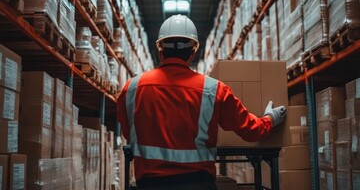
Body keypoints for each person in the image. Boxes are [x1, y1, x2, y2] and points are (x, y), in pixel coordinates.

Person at [117, 14, 286, 190]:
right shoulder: (214, 90)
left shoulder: (132, 88)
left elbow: (130, 133)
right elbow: (251, 131)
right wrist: (271, 118)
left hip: (149, 185)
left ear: (160, 52)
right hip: (198, 184)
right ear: (193, 52)